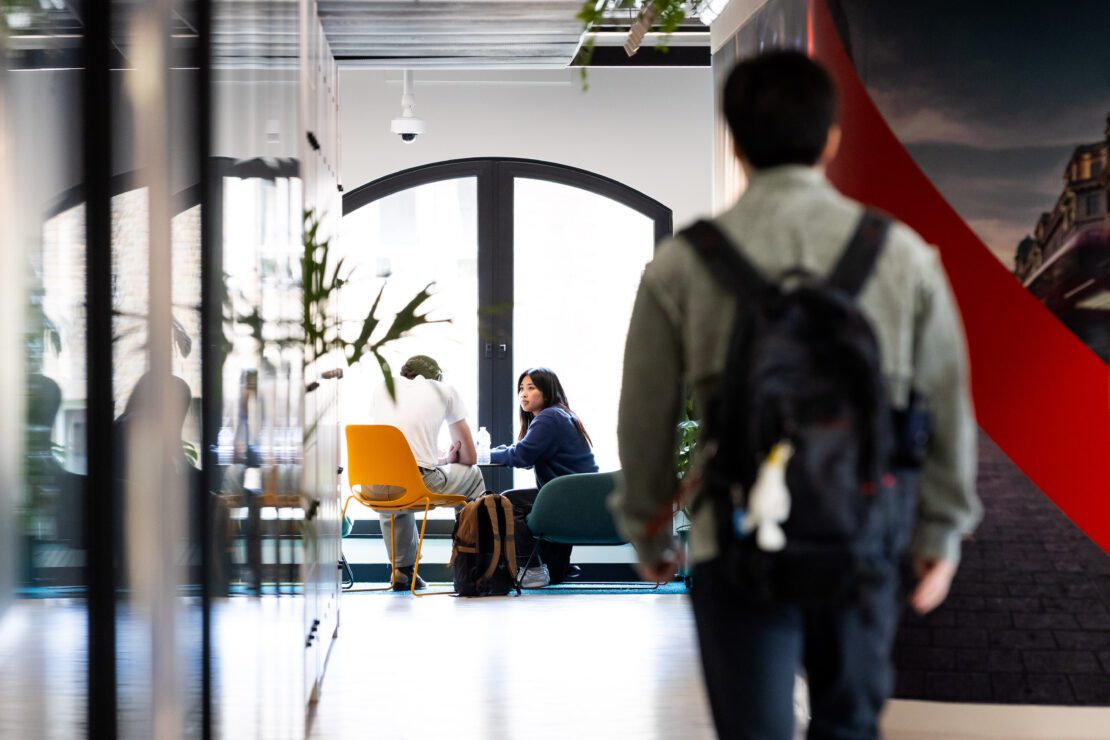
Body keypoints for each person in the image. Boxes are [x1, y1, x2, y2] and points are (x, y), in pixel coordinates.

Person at [610, 50, 981, 739]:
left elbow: (645, 413)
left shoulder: (682, 264)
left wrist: (648, 528)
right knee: (848, 726)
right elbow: (950, 403)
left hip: (737, 534)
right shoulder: (902, 254)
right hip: (865, 529)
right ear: (832, 137)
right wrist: (940, 531)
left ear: (734, 139)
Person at [370, 354, 486, 590]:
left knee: (395, 487)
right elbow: (470, 457)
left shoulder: (383, 387)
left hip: (372, 483)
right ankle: (472, 563)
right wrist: (450, 460)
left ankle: (401, 571)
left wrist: (442, 460)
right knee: (473, 475)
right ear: (437, 378)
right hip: (416, 482)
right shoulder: (445, 390)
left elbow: (401, 450)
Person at [491, 367, 598, 588]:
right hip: (580, 495)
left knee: (507, 502)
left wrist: (480, 454)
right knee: (532, 503)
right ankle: (554, 568)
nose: (523, 394)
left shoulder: (550, 416)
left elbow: (521, 456)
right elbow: (525, 454)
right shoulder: (561, 414)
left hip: (568, 496)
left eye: (531, 388)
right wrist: (498, 451)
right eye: (521, 388)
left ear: (548, 392)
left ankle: (532, 569)